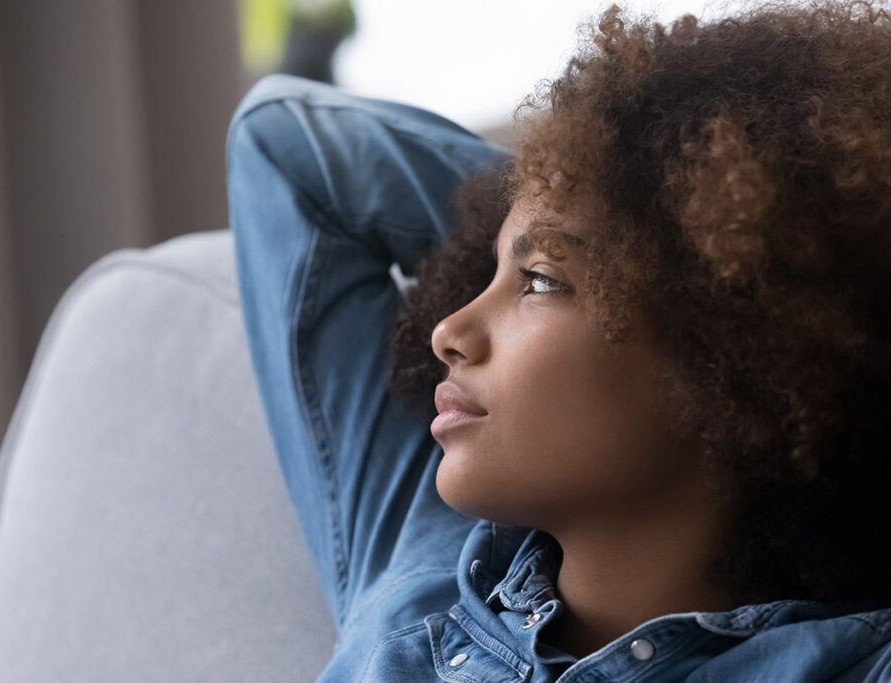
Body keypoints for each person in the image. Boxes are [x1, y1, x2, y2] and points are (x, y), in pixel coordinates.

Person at [226, 1, 891, 680]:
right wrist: (602, 186)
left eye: (539, 282)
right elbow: (284, 143)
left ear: (741, 343)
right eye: (489, 272)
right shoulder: (422, 565)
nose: (448, 331)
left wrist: (711, 233)